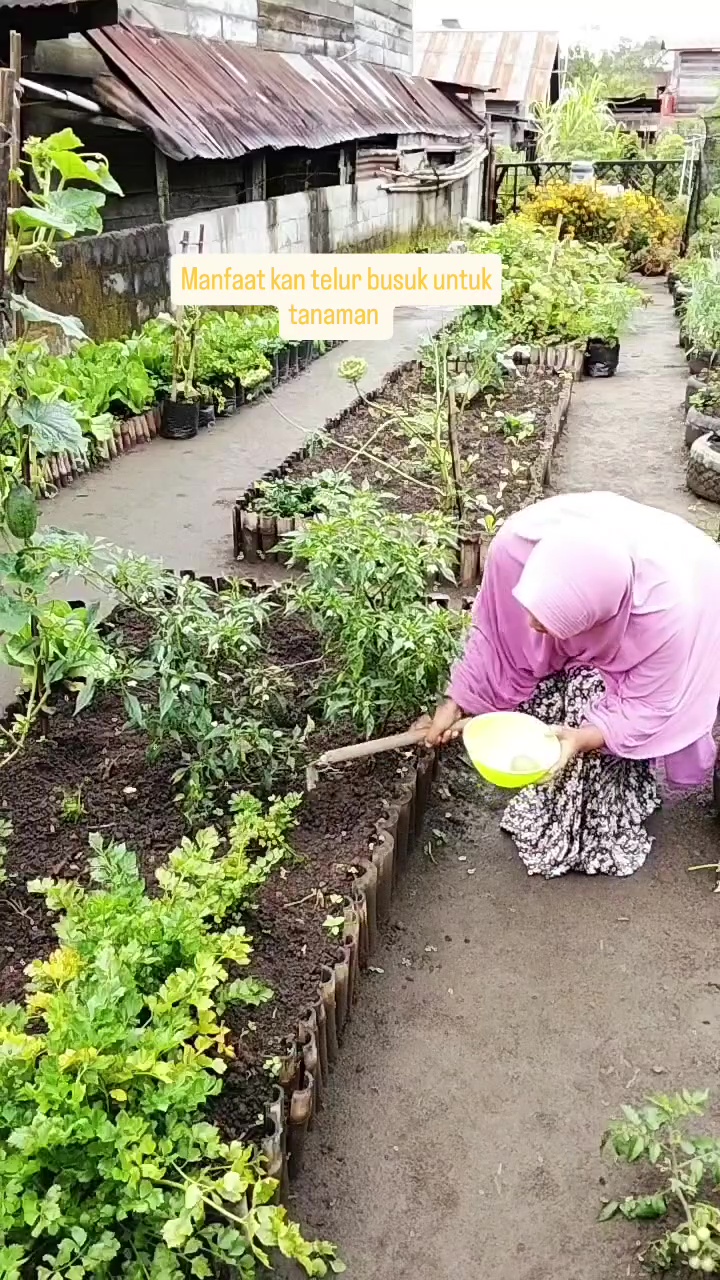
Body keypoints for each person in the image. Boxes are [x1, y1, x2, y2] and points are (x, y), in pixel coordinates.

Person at [421, 491, 720, 878]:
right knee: (541, 706)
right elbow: (498, 635)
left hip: (684, 586)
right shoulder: (518, 552)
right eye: (534, 613)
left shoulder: (670, 620)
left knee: (584, 713)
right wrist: (458, 702)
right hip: (606, 590)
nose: (531, 628)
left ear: (595, 619)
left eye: (546, 625)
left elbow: (647, 706)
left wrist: (580, 738)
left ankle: (602, 817)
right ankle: (557, 803)